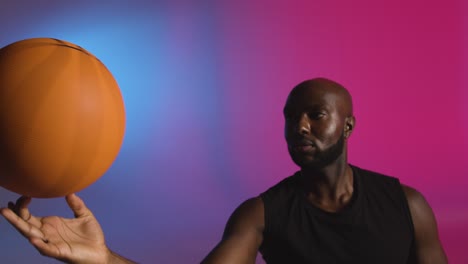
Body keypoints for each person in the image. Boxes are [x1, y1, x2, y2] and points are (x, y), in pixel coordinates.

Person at [1, 78, 447, 263]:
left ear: (348, 125)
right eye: (292, 116)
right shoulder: (262, 215)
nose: (301, 126)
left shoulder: (406, 206)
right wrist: (103, 258)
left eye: (316, 115)